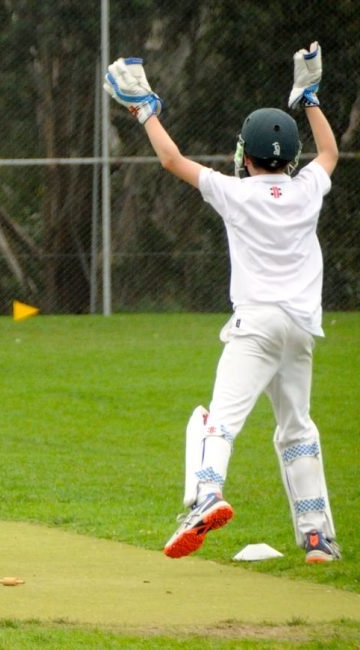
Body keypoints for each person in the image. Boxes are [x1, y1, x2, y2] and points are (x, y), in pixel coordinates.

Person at [104, 42, 341, 563]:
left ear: (245, 155)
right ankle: (318, 538)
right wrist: (310, 98)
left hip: (255, 325)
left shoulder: (234, 193)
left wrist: (143, 110)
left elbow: (170, 159)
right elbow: (330, 155)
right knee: (297, 426)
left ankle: (207, 495)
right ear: (288, 158)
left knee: (220, 423)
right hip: (301, 328)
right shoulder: (307, 190)